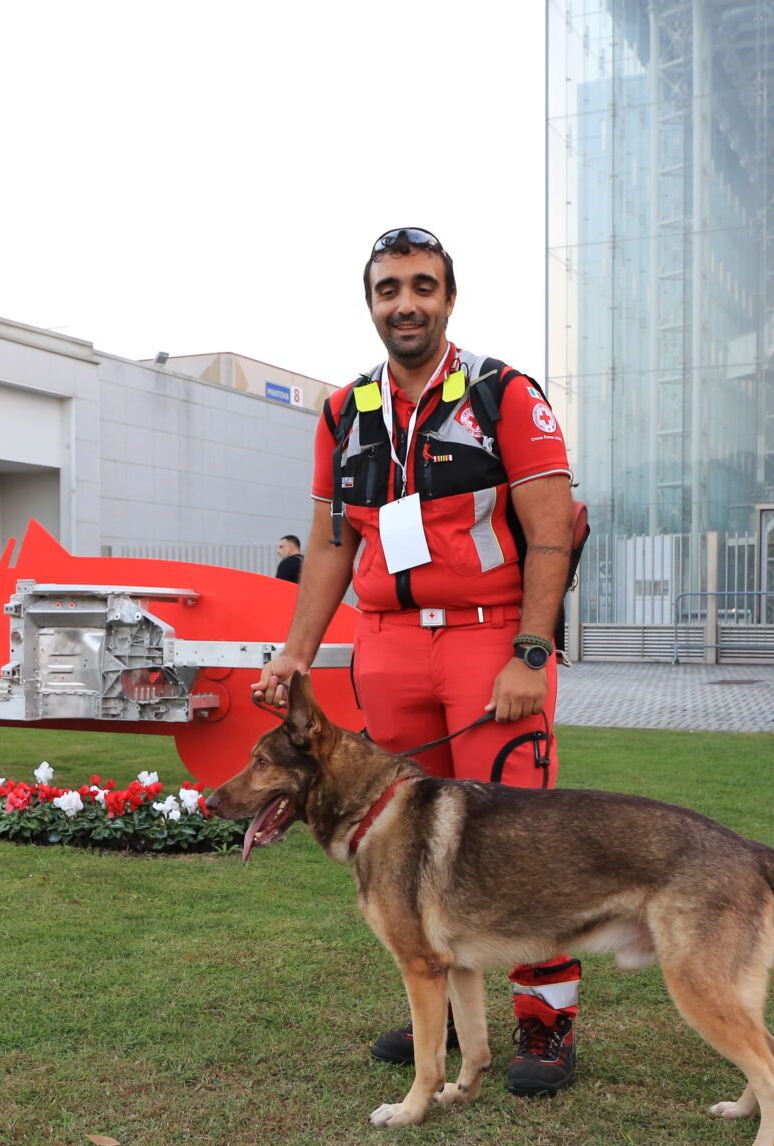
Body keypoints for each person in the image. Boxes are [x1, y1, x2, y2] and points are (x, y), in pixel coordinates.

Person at [253, 226, 583, 1097]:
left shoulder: (503, 393)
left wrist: (531, 651)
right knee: (398, 843)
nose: (406, 303)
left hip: (488, 638)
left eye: (423, 286)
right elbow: (331, 545)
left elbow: (552, 527)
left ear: (449, 297)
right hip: (389, 645)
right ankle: (433, 1005)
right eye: (389, 288)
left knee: (524, 842)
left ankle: (545, 1025)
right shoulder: (344, 411)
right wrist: (295, 652)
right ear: (370, 303)